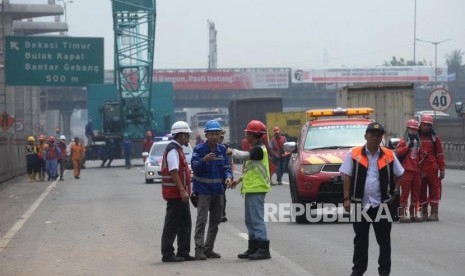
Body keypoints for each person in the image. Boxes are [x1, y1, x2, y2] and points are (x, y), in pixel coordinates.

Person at [339, 122, 404, 276]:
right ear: (365, 136)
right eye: (372, 135)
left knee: (384, 241)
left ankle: (384, 270)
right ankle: (358, 270)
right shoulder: (354, 154)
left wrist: (394, 190)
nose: (375, 138)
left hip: (382, 205)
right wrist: (346, 198)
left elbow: (400, 173)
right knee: (360, 239)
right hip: (359, 204)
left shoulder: (388, 154)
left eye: (379, 135)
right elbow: (347, 176)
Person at [229, 120, 272, 261]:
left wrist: (231, 152)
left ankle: (263, 249)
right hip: (251, 189)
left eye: (248, 133)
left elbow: (243, 156)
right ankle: (253, 248)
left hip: (257, 189)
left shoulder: (259, 150)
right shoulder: (256, 149)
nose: (246, 135)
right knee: (249, 220)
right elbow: (250, 170)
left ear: (253, 134)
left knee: (257, 220)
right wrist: (238, 181)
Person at [191, 120, 233, 260]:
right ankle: (199, 249)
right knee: (202, 220)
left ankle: (209, 249)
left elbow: (227, 168)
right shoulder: (199, 149)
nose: (214, 136)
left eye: (217, 134)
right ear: (206, 135)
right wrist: (204, 160)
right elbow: (194, 167)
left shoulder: (222, 150)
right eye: (211, 134)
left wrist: (228, 177)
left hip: (218, 192)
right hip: (203, 191)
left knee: (215, 221)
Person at [160, 121, 195, 262]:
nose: (188, 137)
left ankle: (183, 252)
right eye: (187, 135)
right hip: (175, 194)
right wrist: (182, 190)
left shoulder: (178, 149)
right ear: (181, 135)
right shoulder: (173, 150)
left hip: (181, 194)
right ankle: (168, 254)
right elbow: (173, 171)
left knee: (185, 223)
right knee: (172, 224)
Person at [418, 115, 445, 221]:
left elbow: (440, 155)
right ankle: (424, 212)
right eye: (425, 125)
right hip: (420, 169)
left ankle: (434, 213)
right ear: (421, 124)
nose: (426, 127)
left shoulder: (435, 139)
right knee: (421, 191)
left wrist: (442, 169)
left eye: (429, 125)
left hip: (432, 169)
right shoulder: (416, 137)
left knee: (434, 190)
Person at [395, 119, 422, 223]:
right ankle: (402, 214)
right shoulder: (403, 141)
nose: (413, 132)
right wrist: (407, 147)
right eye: (412, 129)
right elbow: (398, 153)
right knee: (405, 194)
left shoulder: (418, 142)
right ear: (408, 129)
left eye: (415, 130)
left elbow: (419, 154)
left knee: (416, 194)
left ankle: (414, 214)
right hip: (406, 170)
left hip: (416, 170)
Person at [219, 130, 233, 223]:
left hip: (223, 177)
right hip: (212, 177)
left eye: (222, 137)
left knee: (222, 196)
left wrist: (230, 177)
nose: (221, 139)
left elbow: (228, 164)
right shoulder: (209, 148)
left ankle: (222, 214)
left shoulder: (225, 148)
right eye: (220, 136)